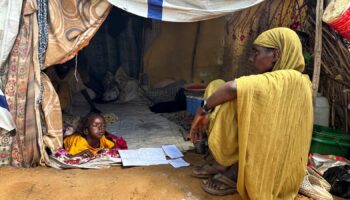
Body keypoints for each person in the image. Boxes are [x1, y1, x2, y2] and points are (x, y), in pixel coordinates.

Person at [189, 27, 313, 199]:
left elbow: (233, 88)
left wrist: (202, 110)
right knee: (216, 85)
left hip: (271, 153)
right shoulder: (280, 78)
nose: (251, 57)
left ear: (276, 55)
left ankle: (235, 168)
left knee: (229, 97)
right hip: (263, 139)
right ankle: (225, 162)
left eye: (256, 52)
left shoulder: (291, 79)